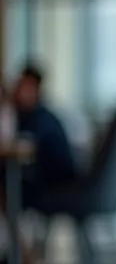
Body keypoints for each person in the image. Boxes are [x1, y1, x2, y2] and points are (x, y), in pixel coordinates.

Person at [10, 63, 78, 207]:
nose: (17, 91)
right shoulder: (30, 116)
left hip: (56, 184)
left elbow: (24, 146)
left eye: (24, 86)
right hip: (55, 182)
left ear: (36, 89)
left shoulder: (42, 119)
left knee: (8, 182)